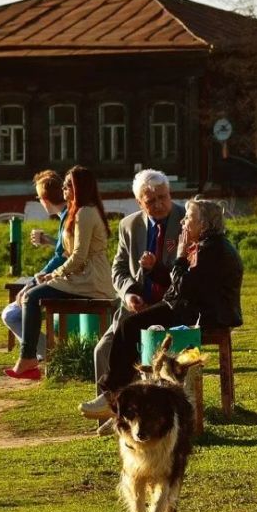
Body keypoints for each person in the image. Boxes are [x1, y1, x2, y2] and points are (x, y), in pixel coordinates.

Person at [80, 196, 243, 419]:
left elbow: (183, 287)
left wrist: (180, 256)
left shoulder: (211, 251)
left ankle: (114, 397)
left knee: (129, 326)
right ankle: (123, 402)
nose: (183, 222)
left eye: (189, 218)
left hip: (203, 316)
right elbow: (181, 285)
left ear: (203, 225)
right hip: (193, 309)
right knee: (133, 325)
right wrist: (156, 267)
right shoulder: (209, 246)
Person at [90, 169, 185, 434]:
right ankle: (112, 417)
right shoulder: (129, 225)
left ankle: (127, 412)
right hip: (135, 307)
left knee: (133, 341)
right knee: (102, 350)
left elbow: (184, 272)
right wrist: (129, 292)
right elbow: (118, 269)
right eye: (150, 201)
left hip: (168, 306)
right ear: (139, 203)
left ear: (170, 194)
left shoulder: (185, 220)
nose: (158, 205)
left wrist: (157, 268)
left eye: (162, 197)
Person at [5, 166, 115, 380]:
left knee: (31, 296)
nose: (63, 189)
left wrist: (53, 274)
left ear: (77, 187)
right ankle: (30, 357)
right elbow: (66, 251)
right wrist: (51, 272)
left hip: (91, 279)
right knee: (31, 294)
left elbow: (79, 256)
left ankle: (28, 358)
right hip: (79, 277)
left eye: (67, 185)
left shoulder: (85, 212)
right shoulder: (78, 211)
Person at [1, 170, 69, 359]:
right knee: (16, 308)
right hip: (66, 277)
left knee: (11, 314)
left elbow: (63, 257)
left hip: (67, 280)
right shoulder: (69, 215)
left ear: (45, 200)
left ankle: (49, 356)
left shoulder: (68, 218)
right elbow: (66, 250)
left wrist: (33, 283)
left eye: (38, 197)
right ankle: (44, 354)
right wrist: (49, 240)